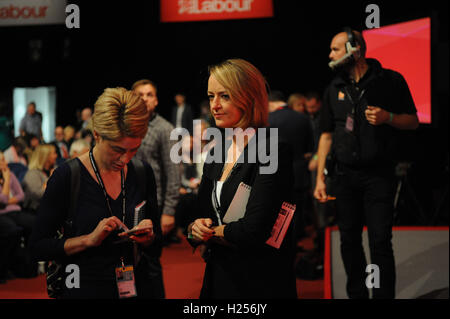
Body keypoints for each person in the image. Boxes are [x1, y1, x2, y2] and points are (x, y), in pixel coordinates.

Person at [314, 28, 419, 299]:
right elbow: (326, 135)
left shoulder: (390, 80)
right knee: (348, 240)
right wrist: (320, 178)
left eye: (335, 49)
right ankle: (357, 295)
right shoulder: (334, 87)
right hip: (344, 176)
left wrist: (389, 117)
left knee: (380, 241)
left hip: (379, 175)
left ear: (355, 49)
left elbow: (413, 121)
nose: (330, 55)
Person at [30, 87, 162, 299]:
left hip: (133, 287)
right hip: (81, 287)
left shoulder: (142, 172)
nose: (125, 159)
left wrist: (148, 237)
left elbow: (156, 246)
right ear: (97, 135)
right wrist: (88, 240)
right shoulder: (67, 177)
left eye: (134, 149)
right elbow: (38, 246)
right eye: (118, 150)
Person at [187, 58, 297, 299]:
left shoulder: (273, 148)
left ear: (248, 98)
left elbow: (254, 231)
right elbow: (199, 215)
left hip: (260, 281)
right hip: (219, 277)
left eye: (224, 96)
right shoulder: (218, 149)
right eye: (210, 96)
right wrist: (195, 229)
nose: (214, 105)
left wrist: (210, 232)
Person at [268, 90, 314, 240]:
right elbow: (310, 147)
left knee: (278, 213)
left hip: (275, 172)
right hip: (300, 172)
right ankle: (297, 242)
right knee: (298, 211)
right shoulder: (303, 118)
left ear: (270, 103)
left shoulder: (268, 119)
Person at [0, 150, 35, 283]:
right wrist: (7, 180)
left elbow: (21, 195)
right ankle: (6, 268)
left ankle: (28, 267)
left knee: (34, 224)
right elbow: (2, 199)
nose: (5, 162)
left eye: (4, 159)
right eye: (2, 160)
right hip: (3, 214)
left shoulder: (10, 174)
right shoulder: (8, 176)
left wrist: (6, 201)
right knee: (11, 230)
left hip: (14, 210)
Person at [22, 144, 58, 213]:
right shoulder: (32, 174)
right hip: (35, 211)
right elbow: (38, 195)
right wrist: (51, 179)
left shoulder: (54, 169)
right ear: (45, 156)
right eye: (54, 153)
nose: (56, 156)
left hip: (53, 207)